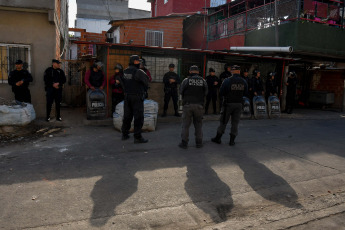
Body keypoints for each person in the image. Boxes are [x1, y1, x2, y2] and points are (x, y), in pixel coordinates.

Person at [211, 65, 248, 146]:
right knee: (235, 123)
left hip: (228, 104)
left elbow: (221, 92)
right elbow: (245, 93)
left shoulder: (228, 80)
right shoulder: (243, 81)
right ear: (239, 71)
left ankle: (218, 138)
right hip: (238, 104)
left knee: (223, 121)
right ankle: (232, 141)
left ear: (232, 71)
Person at [120, 55, 149, 144]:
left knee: (127, 116)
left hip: (127, 96)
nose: (140, 63)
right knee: (138, 117)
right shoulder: (138, 71)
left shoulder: (125, 71)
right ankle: (137, 137)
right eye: (138, 61)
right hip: (136, 96)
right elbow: (146, 81)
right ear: (135, 62)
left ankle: (125, 134)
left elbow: (122, 82)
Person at [178, 65, 208, 149]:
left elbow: (181, 91)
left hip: (188, 105)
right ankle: (199, 143)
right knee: (198, 125)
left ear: (190, 71)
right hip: (199, 105)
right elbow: (206, 92)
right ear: (198, 72)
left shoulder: (186, 80)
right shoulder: (203, 81)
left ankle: (184, 143)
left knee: (185, 125)